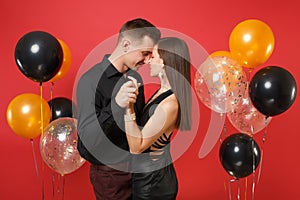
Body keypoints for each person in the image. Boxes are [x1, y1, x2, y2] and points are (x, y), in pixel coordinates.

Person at [76, 18, 161, 200]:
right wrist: (116, 105)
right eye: (145, 53)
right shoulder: (90, 81)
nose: (147, 60)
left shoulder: (136, 78)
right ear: (126, 44)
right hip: (110, 177)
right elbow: (86, 143)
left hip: (140, 172)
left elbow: (138, 127)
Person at [116, 37, 192, 199]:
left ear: (165, 62)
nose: (148, 60)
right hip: (147, 176)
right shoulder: (162, 92)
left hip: (153, 183)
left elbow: (137, 147)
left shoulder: (169, 104)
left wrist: (128, 107)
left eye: (154, 56)